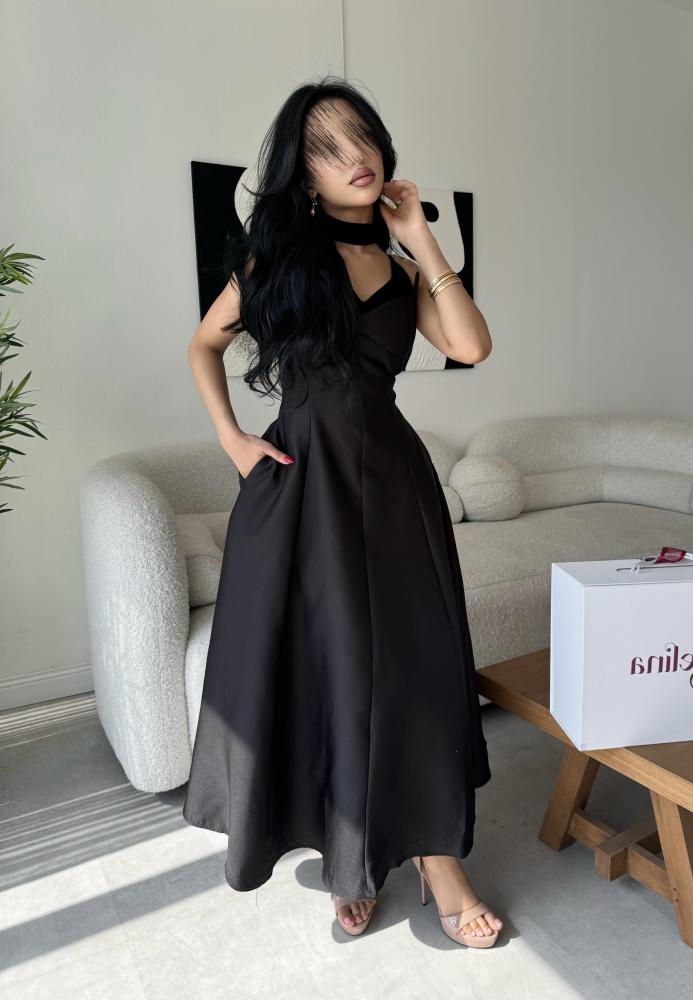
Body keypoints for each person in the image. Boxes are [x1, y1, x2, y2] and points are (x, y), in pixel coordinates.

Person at [182, 75, 504, 947]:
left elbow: (472, 344)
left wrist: (421, 235)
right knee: (326, 673)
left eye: (361, 137)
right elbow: (203, 345)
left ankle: (438, 862)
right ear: (304, 173)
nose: (352, 157)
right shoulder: (278, 262)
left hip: (394, 489)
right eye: (326, 148)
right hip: (300, 493)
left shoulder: (404, 271)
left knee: (415, 672)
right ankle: (347, 858)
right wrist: (233, 441)